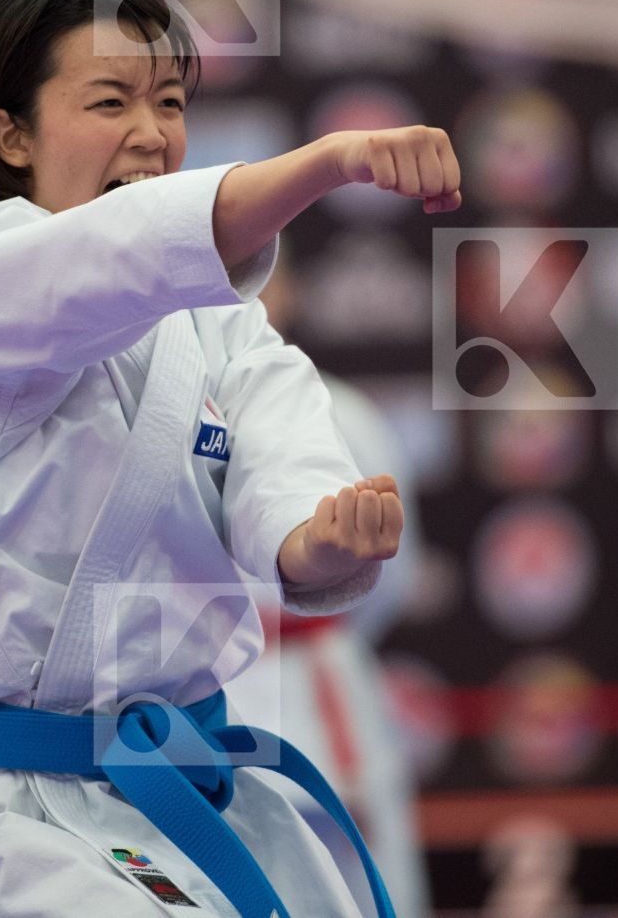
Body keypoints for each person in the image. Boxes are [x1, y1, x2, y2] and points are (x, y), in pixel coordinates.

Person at [0, 0, 461, 918]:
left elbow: (279, 434)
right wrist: (327, 165)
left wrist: (311, 542)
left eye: (171, 102)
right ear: (10, 133)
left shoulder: (217, 322)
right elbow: (120, 253)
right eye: (111, 101)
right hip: (15, 816)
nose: (152, 132)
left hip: (194, 785)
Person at [220, 237, 434, 918]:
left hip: (320, 676)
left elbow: (392, 573)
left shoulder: (344, 412)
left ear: (293, 294)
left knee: (358, 881)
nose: (248, 297)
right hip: (199, 678)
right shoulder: (167, 411)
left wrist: (317, 618)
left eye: (264, 280)